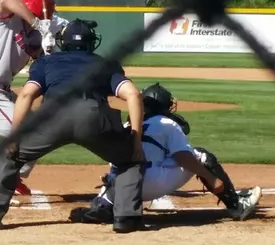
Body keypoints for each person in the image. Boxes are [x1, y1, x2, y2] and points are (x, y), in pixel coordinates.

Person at [0, 19, 149, 233]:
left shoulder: (46, 63)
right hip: (92, 116)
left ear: (62, 42)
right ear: (92, 42)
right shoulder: (106, 64)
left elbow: (26, 94)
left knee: (10, 155)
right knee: (130, 159)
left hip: (51, 118)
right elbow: (133, 94)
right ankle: (127, 218)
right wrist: (135, 141)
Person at [69, 83, 262, 224]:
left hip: (121, 186)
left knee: (118, 174)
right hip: (151, 183)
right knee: (200, 155)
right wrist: (210, 177)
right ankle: (237, 204)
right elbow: (182, 157)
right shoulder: (167, 124)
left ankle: (103, 206)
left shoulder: (129, 124)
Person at [0, 0, 69, 205]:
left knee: (40, 132)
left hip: (2, 90)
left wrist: (51, 45)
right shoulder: (8, 19)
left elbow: (67, 29)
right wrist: (36, 23)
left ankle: (14, 178)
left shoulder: (44, 30)